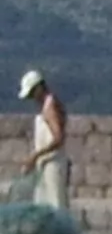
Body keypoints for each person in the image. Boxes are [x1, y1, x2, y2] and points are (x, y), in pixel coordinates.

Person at [18, 70, 69, 211]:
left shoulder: (50, 106)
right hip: (46, 163)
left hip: (52, 163)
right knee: (44, 203)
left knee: (55, 205)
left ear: (39, 88)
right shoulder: (49, 104)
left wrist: (36, 155)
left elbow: (58, 137)